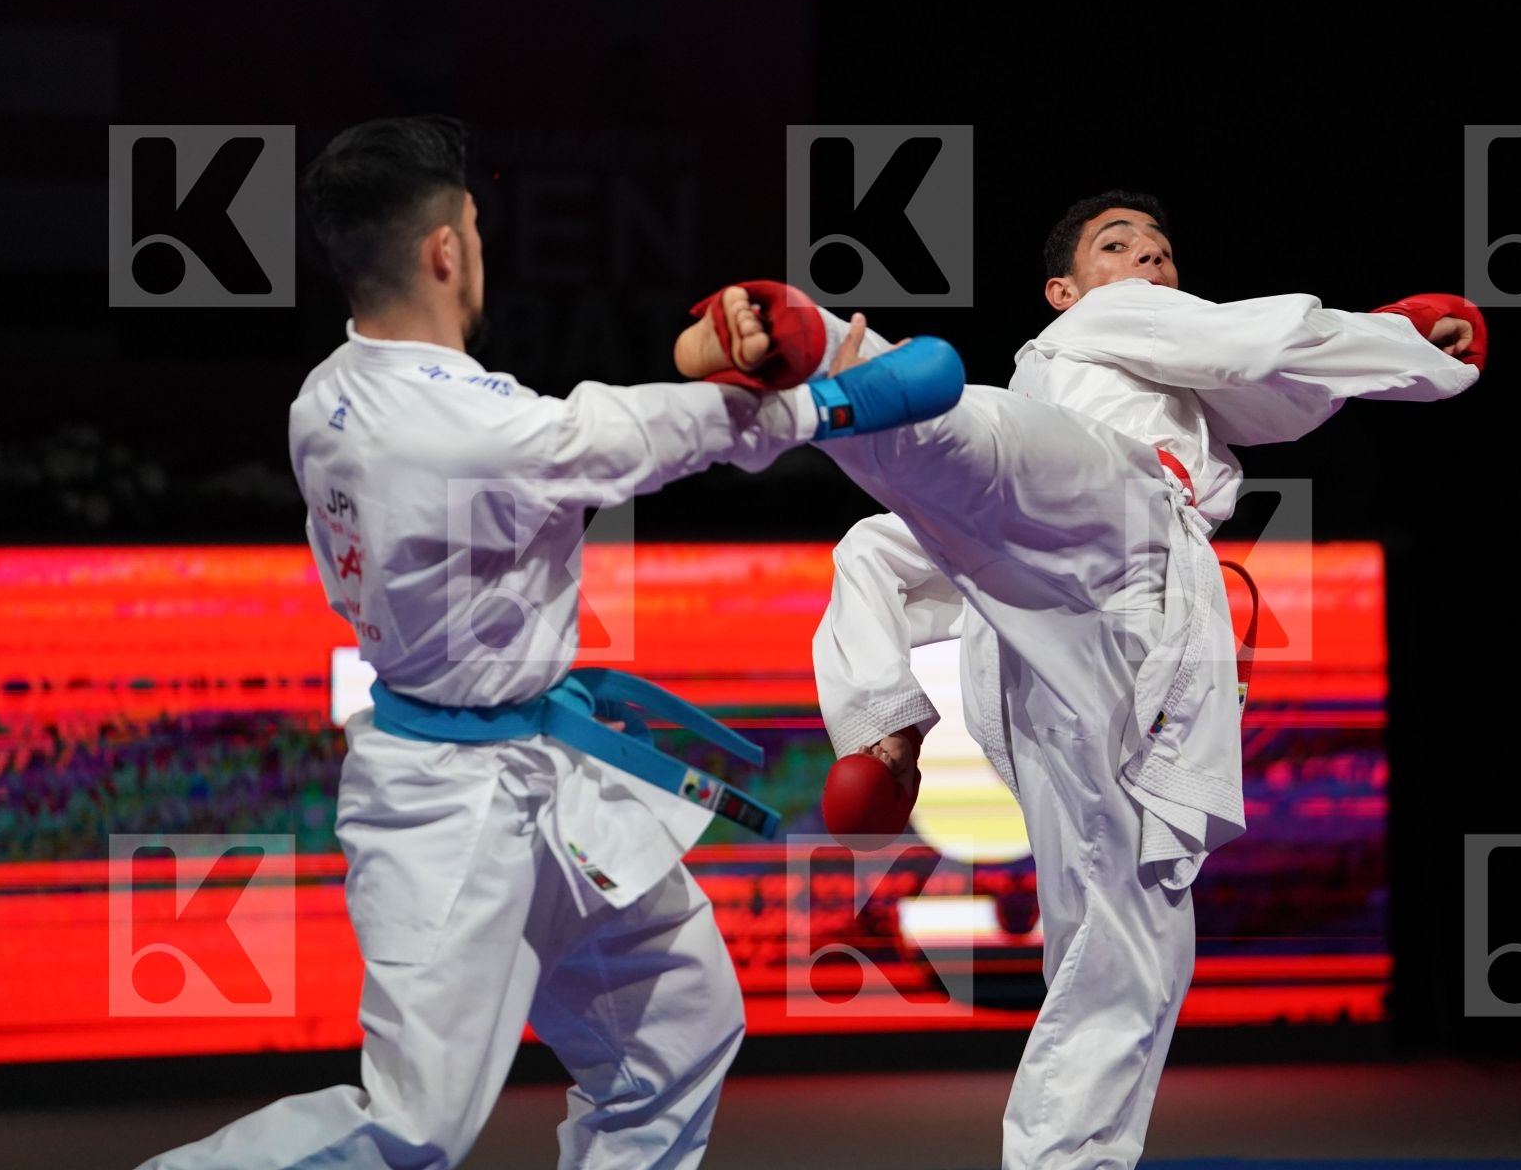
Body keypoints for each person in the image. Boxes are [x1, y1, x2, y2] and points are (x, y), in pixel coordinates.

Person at [133, 115, 962, 1170]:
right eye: (474, 228)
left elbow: (584, 431)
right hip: (446, 797)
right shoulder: (462, 427)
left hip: (548, 773)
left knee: (679, 1026)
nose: (480, 247)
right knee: (412, 1122)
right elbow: (615, 438)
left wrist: (733, 372)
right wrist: (830, 403)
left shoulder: (329, 393)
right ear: (445, 250)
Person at [676, 190, 1484, 1170]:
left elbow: (1275, 384)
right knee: (982, 449)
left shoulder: (1150, 378)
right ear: (1064, 291)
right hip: (1119, 531)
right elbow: (1261, 342)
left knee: (1130, 943)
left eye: (1163, 249)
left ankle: (881, 698)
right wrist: (1408, 344)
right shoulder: (1114, 320)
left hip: (1042, 647)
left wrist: (874, 724)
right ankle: (834, 363)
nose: (1150, 261)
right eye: (1119, 245)